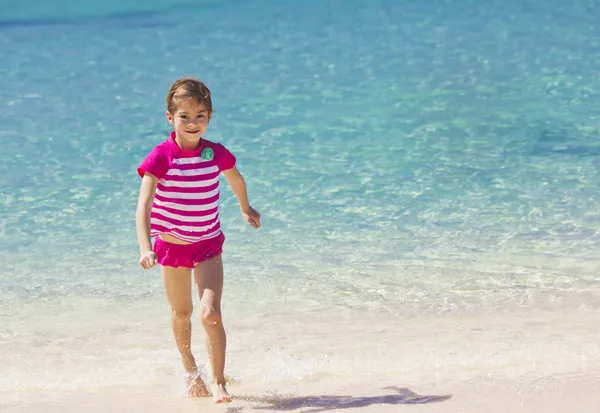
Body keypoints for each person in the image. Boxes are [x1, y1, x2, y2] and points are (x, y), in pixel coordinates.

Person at [135, 77, 261, 403]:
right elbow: (144, 205)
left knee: (211, 313)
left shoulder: (214, 153)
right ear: (170, 118)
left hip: (207, 245)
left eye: (200, 116)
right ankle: (192, 372)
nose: (193, 123)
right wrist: (145, 247)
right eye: (185, 117)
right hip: (171, 247)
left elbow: (236, 178)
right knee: (182, 313)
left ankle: (219, 382)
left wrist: (245, 207)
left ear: (210, 116)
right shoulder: (161, 157)